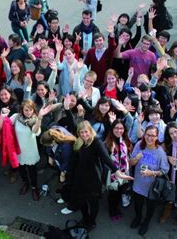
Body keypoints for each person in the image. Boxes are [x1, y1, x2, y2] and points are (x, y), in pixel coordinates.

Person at [62, 95, 133, 231]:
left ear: (91, 131)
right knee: (81, 201)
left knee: (93, 202)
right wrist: (66, 108)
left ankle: (91, 221)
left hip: (93, 178)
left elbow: (107, 159)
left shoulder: (96, 143)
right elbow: (72, 122)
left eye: (86, 132)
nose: (84, 135)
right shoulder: (79, 141)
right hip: (79, 177)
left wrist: (118, 173)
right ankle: (85, 218)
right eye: (81, 132)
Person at [129, 125, 169, 236]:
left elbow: (165, 170)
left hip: (152, 187)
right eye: (147, 135)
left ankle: (146, 222)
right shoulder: (138, 145)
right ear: (144, 135)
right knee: (138, 205)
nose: (149, 138)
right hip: (138, 184)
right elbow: (130, 163)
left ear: (157, 137)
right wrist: (136, 158)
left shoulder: (160, 152)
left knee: (150, 207)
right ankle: (138, 218)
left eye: (152, 135)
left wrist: (152, 173)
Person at [8, 101, 52, 201]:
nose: (28, 112)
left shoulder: (34, 120)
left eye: (31, 110)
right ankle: (25, 183)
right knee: (21, 170)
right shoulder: (16, 117)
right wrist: (3, 115)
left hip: (30, 150)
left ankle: (34, 188)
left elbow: (35, 131)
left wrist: (40, 118)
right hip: (18, 150)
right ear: (22, 110)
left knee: (32, 171)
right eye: (26, 110)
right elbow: (6, 124)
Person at [105, 119, 133, 221]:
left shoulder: (125, 140)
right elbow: (105, 160)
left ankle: (116, 207)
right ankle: (112, 211)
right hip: (112, 173)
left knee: (120, 191)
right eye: (116, 128)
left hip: (124, 172)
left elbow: (128, 156)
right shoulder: (107, 142)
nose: (119, 130)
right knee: (113, 194)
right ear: (112, 129)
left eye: (121, 128)